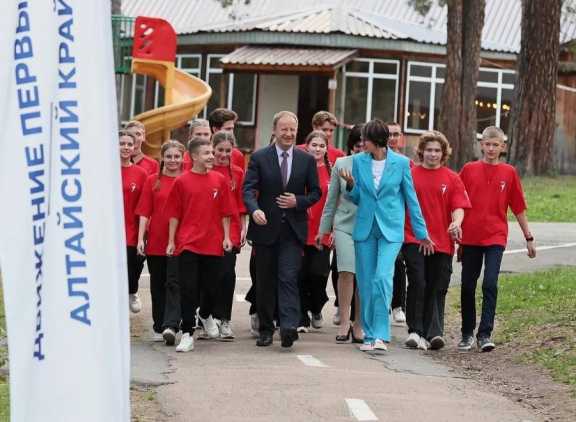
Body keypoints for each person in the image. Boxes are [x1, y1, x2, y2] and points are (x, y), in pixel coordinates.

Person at [340, 119, 433, 352]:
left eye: (366, 141)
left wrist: (422, 233)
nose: (362, 144)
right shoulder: (359, 162)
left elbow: (411, 199)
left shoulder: (401, 164)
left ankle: (381, 334)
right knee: (366, 283)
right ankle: (370, 335)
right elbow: (358, 197)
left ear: (377, 141)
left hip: (391, 230)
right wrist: (351, 186)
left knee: (382, 277)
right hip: (365, 229)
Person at [243, 111, 321, 348]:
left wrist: (298, 201)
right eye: (284, 129)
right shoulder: (259, 157)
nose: (288, 134)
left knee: (288, 277)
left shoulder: (305, 160)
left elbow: (316, 192)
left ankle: (288, 327)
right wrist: (254, 210)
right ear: (275, 131)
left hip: (292, 230)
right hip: (265, 228)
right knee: (265, 281)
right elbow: (248, 189)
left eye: (292, 130)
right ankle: (266, 329)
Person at [458, 126, 536, 352]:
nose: (491, 149)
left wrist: (528, 237)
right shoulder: (469, 170)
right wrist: (454, 227)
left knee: (490, 283)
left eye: (496, 145)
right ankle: (466, 333)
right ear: (481, 145)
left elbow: (518, 207)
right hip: (470, 237)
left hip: (495, 237)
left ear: (503, 147)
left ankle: (485, 334)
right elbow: (456, 201)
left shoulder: (509, 172)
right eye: (487, 144)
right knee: (467, 286)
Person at [403, 131, 471, 351]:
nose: (433, 154)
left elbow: (459, 206)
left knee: (437, 286)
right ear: (421, 151)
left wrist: (456, 223)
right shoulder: (410, 175)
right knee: (418, 282)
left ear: (443, 154)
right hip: (413, 238)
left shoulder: (452, 178)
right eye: (429, 150)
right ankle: (415, 331)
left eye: (437, 150)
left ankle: (434, 333)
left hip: (441, 242)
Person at [165, 138, 233, 352]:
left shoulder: (220, 180)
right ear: (194, 156)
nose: (212, 156)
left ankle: (204, 314)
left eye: (211, 152)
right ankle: (187, 333)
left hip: (213, 243)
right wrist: (171, 241)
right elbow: (174, 214)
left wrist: (227, 237)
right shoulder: (182, 181)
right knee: (189, 289)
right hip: (188, 244)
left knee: (212, 287)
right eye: (207, 153)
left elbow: (226, 212)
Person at [197, 131, 248, 341]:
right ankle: (207, 315)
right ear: (212, 149)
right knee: (209, 276)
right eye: (219, 150)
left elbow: (240, 203)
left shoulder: (237, 172)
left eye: (228, 151)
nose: (223, 154)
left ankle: (224, 319)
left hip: (231, 228)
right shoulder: (204, 170)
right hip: (207, 228)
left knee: (227, 274)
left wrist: (244, 227)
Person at [135, 140, 185, 345]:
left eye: (177, 156)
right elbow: (144, 212)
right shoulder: (151, 181)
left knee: (174, 282)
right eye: (169, 156)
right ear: (162, 157)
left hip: (180, 240)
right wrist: (140, 239)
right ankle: (159, 324)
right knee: (158, 283)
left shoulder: (186, 179)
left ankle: (170, 324)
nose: (173, 160)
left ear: (182, 158)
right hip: (156, 239)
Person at [318, 125, 365, 343]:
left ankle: (359, 323)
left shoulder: (378, 165)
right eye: (357, 145)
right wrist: (324, 230)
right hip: (344, 224)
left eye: (365, 145)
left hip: (368, 225)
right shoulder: (341, 164)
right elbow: (331, 200)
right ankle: (344, 320)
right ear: (351, 146)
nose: (361, 149)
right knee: (346, 269)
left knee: (364, 274)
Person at [297, 131, 332, 333]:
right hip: (301, 228)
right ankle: (301, 317)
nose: (317, 149)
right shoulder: (299, 168)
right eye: (314, 145)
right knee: (300, 274)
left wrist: (333, 228)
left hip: (322, 230)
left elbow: (338, 202)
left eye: (321, 146)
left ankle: (316, 307)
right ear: (307, 146)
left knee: (318, 274)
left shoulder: (332, 171)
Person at [119, 130, 148, 314]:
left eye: (129, 144)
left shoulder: (141, 173)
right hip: (110, 231)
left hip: (132, 228)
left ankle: (132, 291)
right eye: (122, 143)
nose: (126, 147)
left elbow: (143, 206)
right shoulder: (105, 170)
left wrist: (141, 236)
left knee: (134, 264)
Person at [386, 121, 409, 324]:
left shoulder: (405, 162)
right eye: (389, 134)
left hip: (398, 221)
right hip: (379, 220)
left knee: (398, 262)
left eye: (396, 134)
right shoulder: (374, 159)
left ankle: (398, 305)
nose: (392, 138)